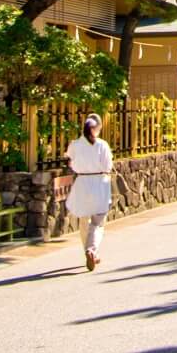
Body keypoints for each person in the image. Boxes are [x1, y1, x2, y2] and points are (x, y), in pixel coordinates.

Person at [65, 114, 114, 272]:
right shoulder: (102, 145)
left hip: (82, 183)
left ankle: (89, 250)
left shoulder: (75, 144)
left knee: (84, 220)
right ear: (97, 128)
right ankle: (92, 249)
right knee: (98, 221)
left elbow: (71, 162)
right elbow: (108, 166)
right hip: (99, 183)